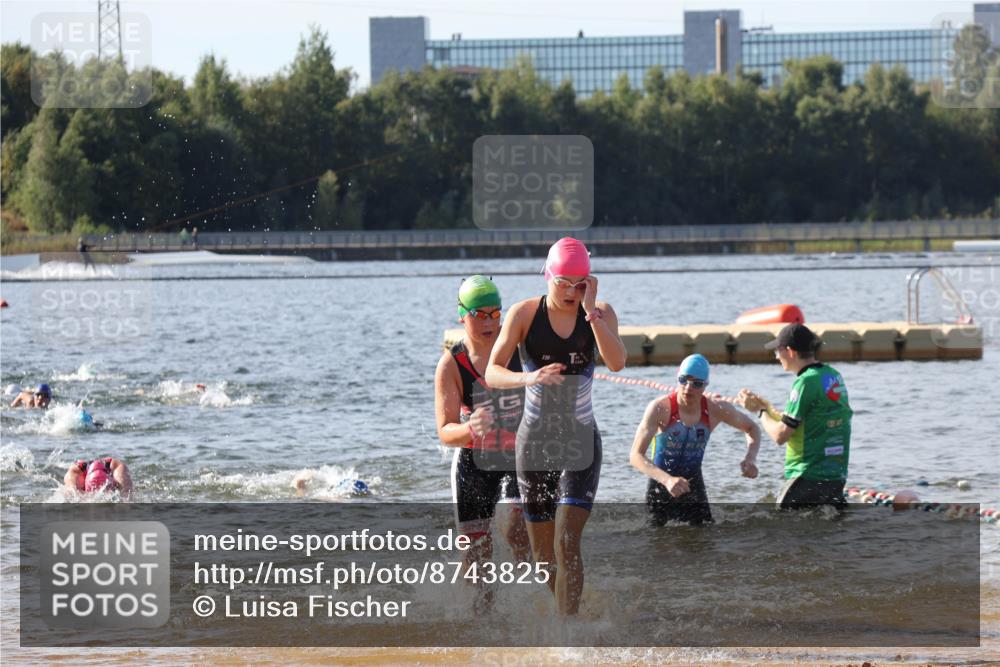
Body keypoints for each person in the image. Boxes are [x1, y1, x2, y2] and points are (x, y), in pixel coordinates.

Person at [486, 238, 626, 616]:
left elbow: (616, 362)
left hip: (581, 441)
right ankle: (572, 609)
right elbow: (493, 371)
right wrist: (527, 380)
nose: (571, 291)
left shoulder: (600, 312)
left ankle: (569, 637)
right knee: (543, 556)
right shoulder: (524, 314)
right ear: (547, 276)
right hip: (534, 444)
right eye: (563, 281)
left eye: (580, 282)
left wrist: (592, 311)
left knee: (568, 541)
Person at [435, 275, 531, 608]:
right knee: (476, 554)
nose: (489, 322)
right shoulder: (452, 365)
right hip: (473, 464)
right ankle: (480, 619)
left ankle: (532, 601)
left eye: (495, 313)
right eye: (479, 314)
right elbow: (446, 430)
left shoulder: (518, 352)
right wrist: (471, 428)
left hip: (517, 458)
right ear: (462, 315)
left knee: (515, 526)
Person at [629, 354, 761, 526]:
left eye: (696, 383)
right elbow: (635, 455)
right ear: (677, 378)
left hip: (694, 485)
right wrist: (667, 480)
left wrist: (750, 458)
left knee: (703, 541)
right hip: (660, 484)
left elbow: (753, 429)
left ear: (705, 385)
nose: (688, 388)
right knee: (656, 543)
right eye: (683, 380)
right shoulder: (660, 408)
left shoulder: (716, 409)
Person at [735, 323, 852, 510]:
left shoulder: (804, 382)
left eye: (777, 351)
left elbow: (780, 436)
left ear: (789, 351)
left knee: (784, 531)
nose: (776, 357)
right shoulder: (832, 375)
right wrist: (768, 408)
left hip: (807, 476)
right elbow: (809, 420)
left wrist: (760, 411)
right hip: (835, 476)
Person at [64, 457, 133, 498]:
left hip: (111, 466)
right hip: (82, 472)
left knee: (126, 494)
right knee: (70, 493)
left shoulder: (117, 467)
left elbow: (128, 497)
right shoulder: (74, 473)